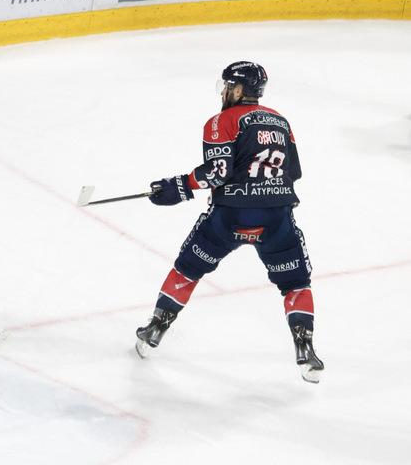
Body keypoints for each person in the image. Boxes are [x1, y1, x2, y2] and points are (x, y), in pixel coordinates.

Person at [136, 62, 324, 383]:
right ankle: (304, 346)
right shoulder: (280, 121)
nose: (224, 92)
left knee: (188, 269)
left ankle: (157, 326)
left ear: (238, 89)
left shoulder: (221, 121)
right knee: (295, 284)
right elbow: (295, 171)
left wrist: (177, 187)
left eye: (227, 86)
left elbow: (217, 172)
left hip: (231, 214)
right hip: (276, 215)